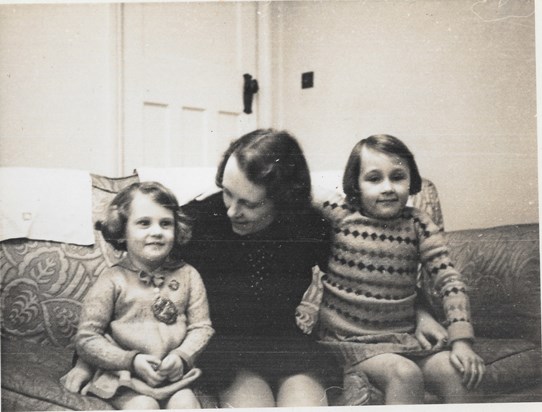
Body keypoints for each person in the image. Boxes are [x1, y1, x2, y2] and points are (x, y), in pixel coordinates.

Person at [317, 134, 485, 404]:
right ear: (356, 185)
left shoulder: (419, 224)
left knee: (457, 371)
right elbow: (299, 186)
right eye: (374, 179)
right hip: (346, 340)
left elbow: (449, 280)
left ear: (412, 180)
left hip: (402, 337)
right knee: (403, 373)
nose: (387, 188)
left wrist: (461, 340)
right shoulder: (342, 213)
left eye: (397, 177)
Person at [178, 129, 334, 407]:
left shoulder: (310, 226)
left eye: (248, 203)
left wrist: (420, 312)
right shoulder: (200, 221)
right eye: (227, 193)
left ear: (283, 200)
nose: (231, 211)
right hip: (227, 352)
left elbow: (357, 280)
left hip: (287, 345)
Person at [60, 182, 214, 410]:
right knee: (144, 406)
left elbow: (202, 327)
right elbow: (87, 337)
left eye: (165, 223)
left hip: (172, 376)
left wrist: (181, 357)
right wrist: (131, 360)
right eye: (144, 223)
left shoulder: (189, 275)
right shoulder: (112, 280)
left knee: (187, 404)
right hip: (122, 375)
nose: (156, 232)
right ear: (122, 231)